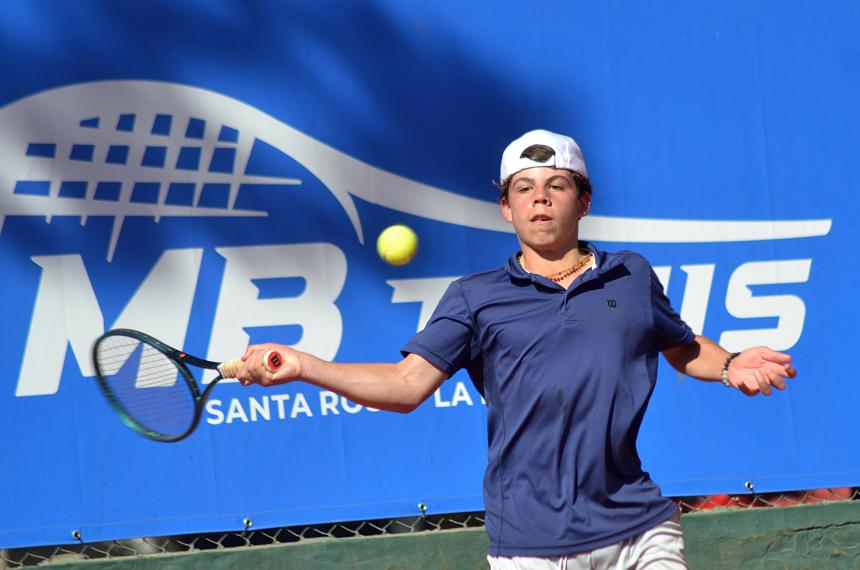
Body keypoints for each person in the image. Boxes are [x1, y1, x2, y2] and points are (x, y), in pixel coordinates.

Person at [236, 129, 797, 569]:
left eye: (556, 186)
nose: (540, 200)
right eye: (524, 189)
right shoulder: (474, 298)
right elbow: (405, 387)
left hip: (637, 527)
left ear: (584, 201)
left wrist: (727, 365)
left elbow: (680, 346)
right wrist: (306, 365)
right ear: (506, 208)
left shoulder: (630, 275)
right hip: (530, 542)